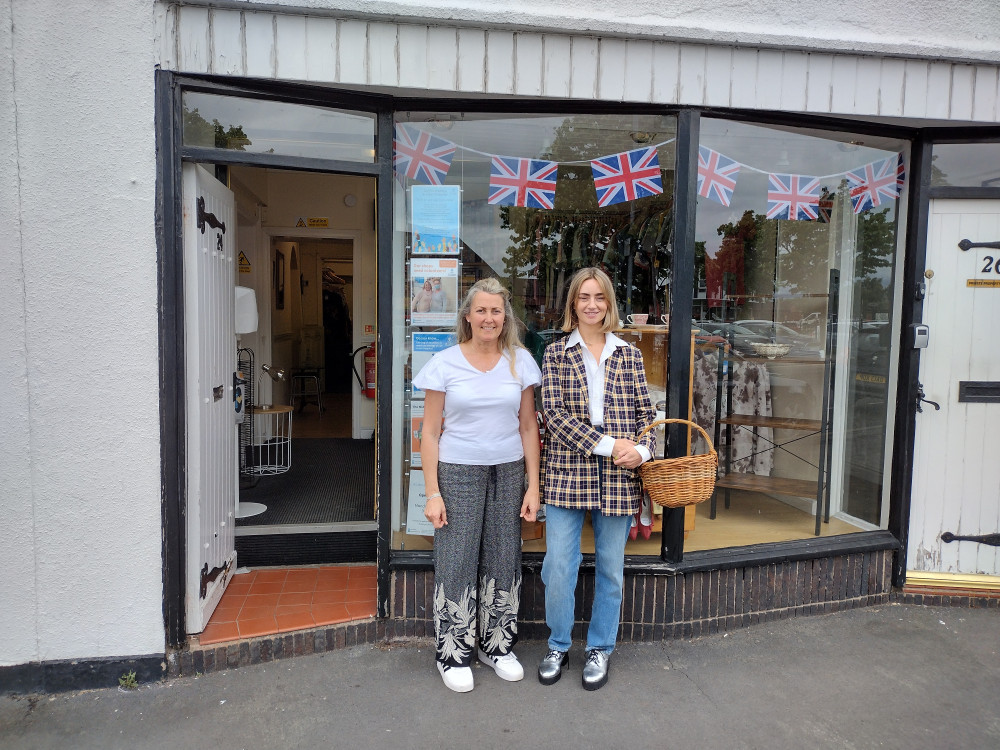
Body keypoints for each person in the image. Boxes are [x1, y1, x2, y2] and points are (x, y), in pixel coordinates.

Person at [414, 277, 542, 693]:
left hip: (507, 470)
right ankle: (452, 652)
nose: (489, 318)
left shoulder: (520, 360)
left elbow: (527, 426)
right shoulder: (445, 363)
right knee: (457, 557)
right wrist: (432, 492)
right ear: (467, 315)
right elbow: (429, 432)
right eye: (481, 310)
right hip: (457, 471)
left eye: (497, 311)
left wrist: (533, 485)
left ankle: (497, 645)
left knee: (504, 555)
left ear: (507, 317)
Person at [537, 267, 656, 691]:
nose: (591, 304)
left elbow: (647, 418)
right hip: (568, 472)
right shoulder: (555, 354)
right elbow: (553, 416)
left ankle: (600, 649)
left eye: (599, 297)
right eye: (584, 297)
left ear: (609, 304)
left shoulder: (630, 354)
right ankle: (557, 644)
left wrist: (641, 451)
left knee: (611, 569)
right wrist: (611, 445)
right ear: (573, 304)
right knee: (559, 566)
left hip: (620, 477)